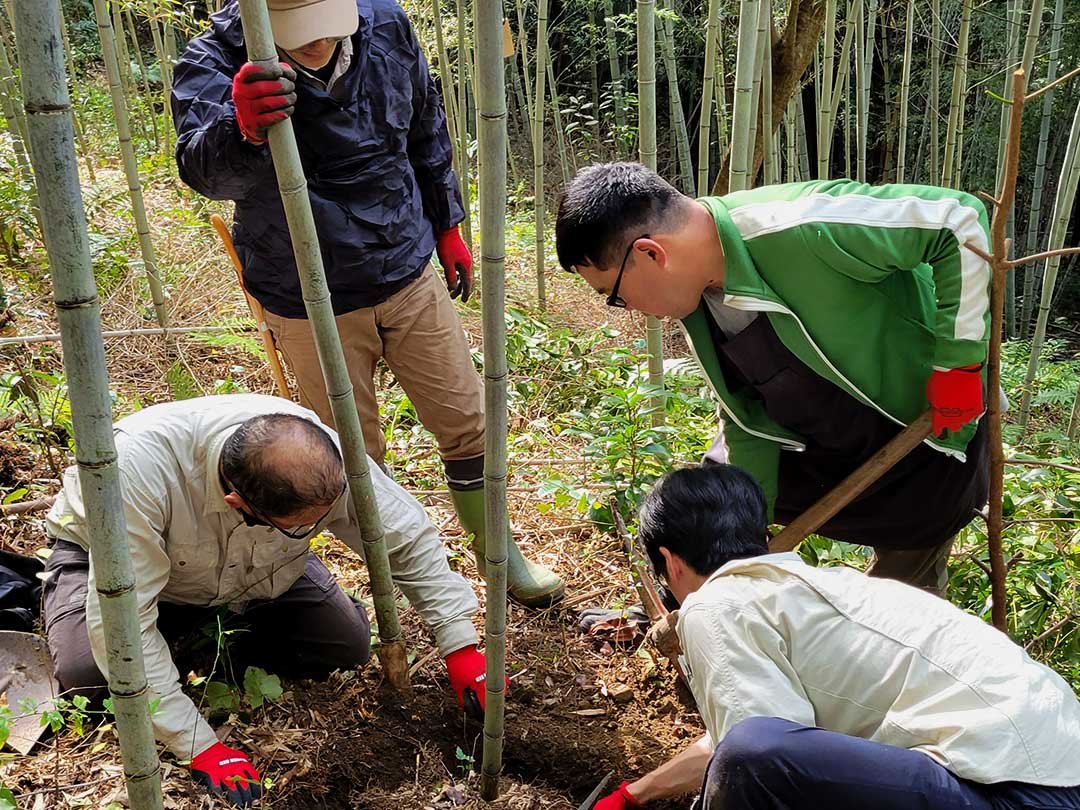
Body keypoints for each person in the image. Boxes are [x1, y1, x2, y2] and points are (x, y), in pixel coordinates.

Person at [171, 0, 563, 606]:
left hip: (403, 263)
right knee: (352, 453)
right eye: (299, 33)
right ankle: (395, 577)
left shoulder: (383, 20)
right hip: (307, 289)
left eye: (329, 24)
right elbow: (205, 174)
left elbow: (425, 121)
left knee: (467, 420)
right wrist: (240, 131)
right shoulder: (215, 55)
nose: (319, 42)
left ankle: (499, 553)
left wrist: (446, 220)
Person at [556, 163, 993, 596]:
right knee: (703, 509)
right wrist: (745, 535)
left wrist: (959, 366)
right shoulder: (698, 302)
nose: (626, 307)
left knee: (905, 595)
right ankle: (695, 611)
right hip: (815, 441)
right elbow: (749, 417)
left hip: (923, 433)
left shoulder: (803, 225)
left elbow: (959, 220)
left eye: (613, 296)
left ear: (651, 253)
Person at [42, 394, 492, 806]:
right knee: (90, 677)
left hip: (261, 567)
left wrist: (460, 644)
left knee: (344, 646)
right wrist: (200, 745)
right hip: (117, 563)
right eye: (302, 525)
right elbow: (123, 621)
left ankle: (188, 641)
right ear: (239, 503)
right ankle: (114, 620)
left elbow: (407, 538)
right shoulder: (136, 472)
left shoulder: (318, 453)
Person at [591, 464, 1080, 809]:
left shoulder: (717, 604)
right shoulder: (818, 589)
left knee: (754, 754)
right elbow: (747, 742)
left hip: (1009, 793)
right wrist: (637, 794)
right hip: (1043, 773)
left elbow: (754, 757)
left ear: (670, 561)